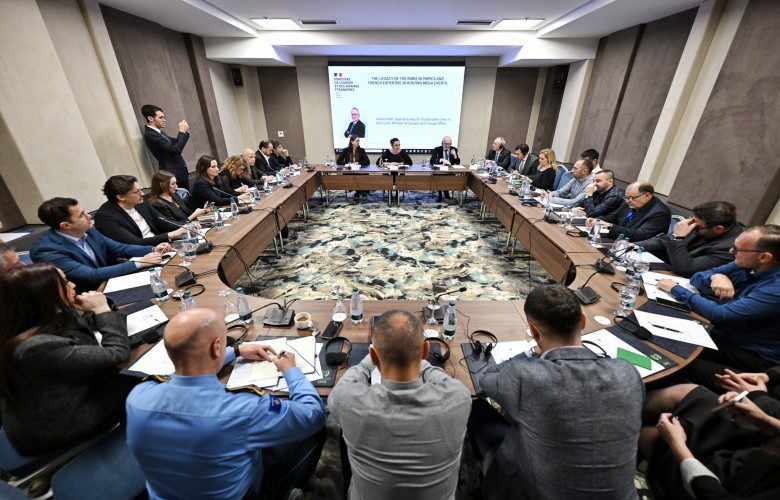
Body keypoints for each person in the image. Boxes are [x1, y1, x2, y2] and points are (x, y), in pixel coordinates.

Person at [126, 308, 326, 499]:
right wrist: (291, 370)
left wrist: (235, 351)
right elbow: (313, 413)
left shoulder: (137, 397)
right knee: (314, 429)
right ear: (216, 347)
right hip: (244, 494)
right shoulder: (245, 409)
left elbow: (185, 371)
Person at [469, 285, 643, 499]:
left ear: (533, 331)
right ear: (583, 322)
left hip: (529, 492)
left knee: (476, 406)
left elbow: (485, 378)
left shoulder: (527, 375)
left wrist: (530, 352)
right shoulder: (627, 372)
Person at [329, 310, 470, 499]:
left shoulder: (347, 402)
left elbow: (340, 390)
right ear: (425, 351)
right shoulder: (460, 398)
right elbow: (446, 381)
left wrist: (365, 364)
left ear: (374, 356)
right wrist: (423, 363)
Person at [0, 264, 132, 455]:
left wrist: (91, 309)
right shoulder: (34, 347)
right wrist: (102, 309)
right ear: (44, 295)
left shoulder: (31, 318)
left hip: (63, 395)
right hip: (55, 424)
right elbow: (117, 353)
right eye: (64, 282)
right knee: (141, 385)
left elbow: (82, 329)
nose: (73, 285)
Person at [657, 225, 780, 383]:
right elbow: (697, 277)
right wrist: (715, 277)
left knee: (670, 351)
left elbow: (720, 314)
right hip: (725, 330)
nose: (731, 251)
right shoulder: (746, 262)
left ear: (764, 257)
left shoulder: (775, 289)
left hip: (749, 352)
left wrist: (675, 288)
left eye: (737, 249)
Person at [640, 380, 780, 499]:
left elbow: (713, 494)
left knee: (647, 435)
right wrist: (764, 419)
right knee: (692, 393)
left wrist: (677, 444)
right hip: (756, 445)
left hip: (722, 482)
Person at [30, 197, 165, 292]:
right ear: (66, 225)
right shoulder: (46, 250)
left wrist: (153, 249)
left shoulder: (89, 230)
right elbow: (91, 275)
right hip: (87, 297)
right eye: (81, 215)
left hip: (112, 282)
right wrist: (140, 263)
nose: (89, 216)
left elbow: (119, 248)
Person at [637, 201, 743, 277]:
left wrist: (679, 238)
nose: (691, 226)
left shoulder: (731, 247)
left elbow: (686, 269)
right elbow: (663, 240)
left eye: (696, 226)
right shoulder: (701, 224)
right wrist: (634, 245)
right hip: (664, 270)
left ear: (718, 229)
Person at [93, 175, 186, 247]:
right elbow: (133, 242)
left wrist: (186, 226)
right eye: (136, 192)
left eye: (140, 190)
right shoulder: (105, 217)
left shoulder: (140, 202)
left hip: (162, 245)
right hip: (139, 255)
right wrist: (170, 235)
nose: (142, 194)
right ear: (121, 197)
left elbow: (163, 221)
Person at [588, 181, 671, 242]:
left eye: (632, 198)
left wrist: (609, 226)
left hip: (639, 249)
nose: (627, 201)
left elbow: (639, 235)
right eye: (626, 197)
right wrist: (597, 220)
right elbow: (612, 217)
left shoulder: (660, 213)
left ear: (647, 195)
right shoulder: (630, 202)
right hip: (618, 240)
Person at [141, 104, 190, 190]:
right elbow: (176, 149)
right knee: (181, 198)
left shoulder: (157, 132)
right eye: (161, 118)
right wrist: (182, 131)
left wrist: (184, 132)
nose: (164, 120)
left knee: (186, 196)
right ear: (150, 118)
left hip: (179, 174)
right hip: (172, 175)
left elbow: (175, 143)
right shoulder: (150, 134)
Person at [148, 170, 212, 225]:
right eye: (173, 184)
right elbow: (174, 225)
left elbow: (188, 212)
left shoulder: (174, 195)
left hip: (192, 226)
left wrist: (203, 211)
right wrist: (194, 215)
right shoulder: (156, 204)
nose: (176, 186)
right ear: (162, 185)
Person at [430, 136, 460, 201]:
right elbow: (432, 161)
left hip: (450, 170)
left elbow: (457, 162)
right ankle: (440, 194)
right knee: (439, 178)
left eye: (448, 144)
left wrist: (455, 155)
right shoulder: (437, 149)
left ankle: (446, 192)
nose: (447, 145)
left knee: (448, 178)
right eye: (445, 143)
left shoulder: (454, 149)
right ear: (442, 143)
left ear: (450, 143)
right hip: (440, 170)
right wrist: (441, 160)